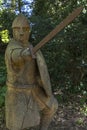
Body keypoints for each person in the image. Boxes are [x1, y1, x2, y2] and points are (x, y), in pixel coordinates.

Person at [5, 14, 58, 130]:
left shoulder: (30, 46)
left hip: (34, 90)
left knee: (52, 106)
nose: (21, 32)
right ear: (13, 31)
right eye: (18, 29)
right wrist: (24, 54)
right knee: (18, 126)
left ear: (29, 31)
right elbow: (15, 55)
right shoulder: (12, 47)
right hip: (17, 93)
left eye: (25, 29)